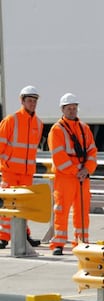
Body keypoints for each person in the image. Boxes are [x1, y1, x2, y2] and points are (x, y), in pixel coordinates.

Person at [47, 93, 97, 256]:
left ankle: (81, 241)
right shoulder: (57, 130)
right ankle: (58, 244)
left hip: (82, 176)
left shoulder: (84, 128)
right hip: (66, 177)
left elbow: (92, 151)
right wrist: (78, 171)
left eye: (74, 108)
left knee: (82, 211)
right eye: (69, 108)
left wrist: (87, 169)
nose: (72, 111)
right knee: (61, 210)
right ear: (63, 109)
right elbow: (59, 156)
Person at [0, 85, 44, 249]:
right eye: (29, 100)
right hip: (10, 171)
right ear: (22, 101)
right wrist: (7, 162)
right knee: (8, 205)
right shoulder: (11, 120)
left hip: (26, 173)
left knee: (24, 206)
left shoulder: (38, 124)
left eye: (34, 101)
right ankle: (3, 237)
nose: (32, 104)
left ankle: (24, 235)